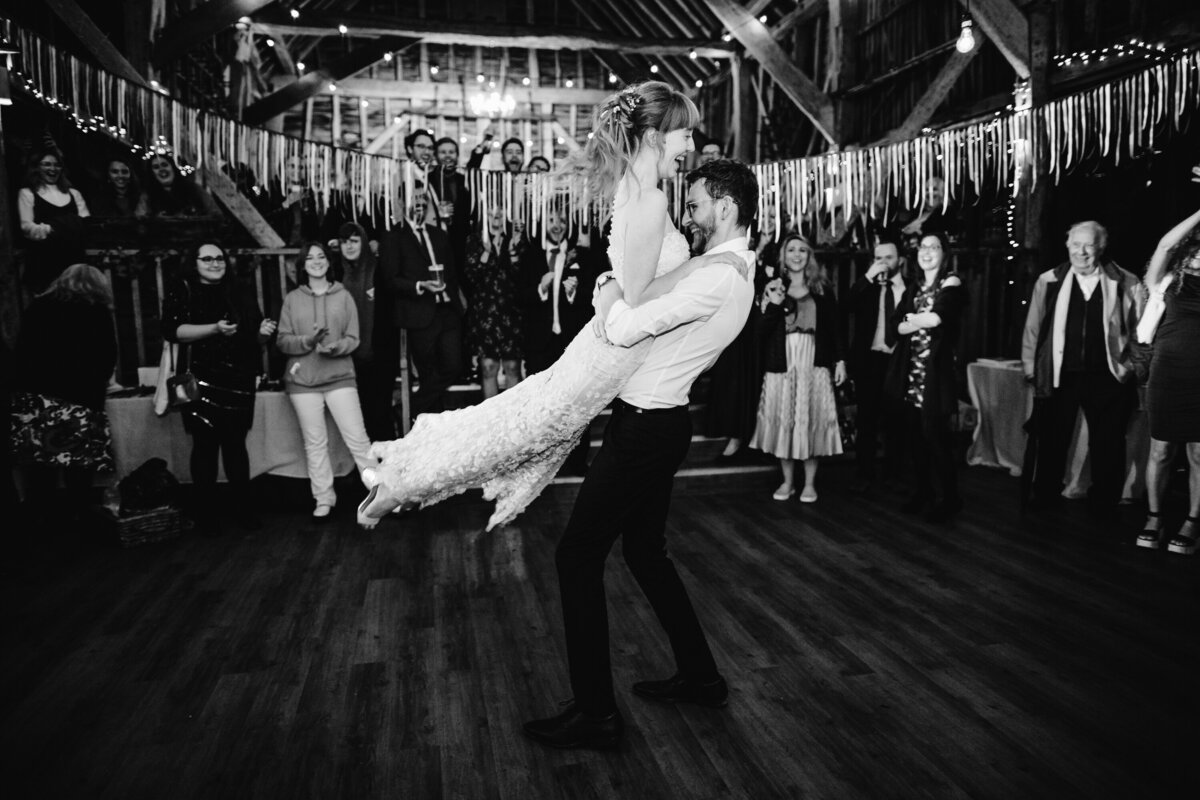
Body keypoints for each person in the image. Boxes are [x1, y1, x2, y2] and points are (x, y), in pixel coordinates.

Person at [357, 81, 744, 532]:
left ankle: (402, 478)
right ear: (657, 135)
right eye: (686, 135)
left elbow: (630, 282)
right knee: (521, 429)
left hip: (607, 346)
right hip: (611, 350)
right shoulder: (652, 198)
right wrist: (704, 265)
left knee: (519, 422)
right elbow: (638, 297)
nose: (691, 146)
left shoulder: (635, 188)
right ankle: (400, 484)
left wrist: (621, 279)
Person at [523, 158, 758, 750]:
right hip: (656, 423)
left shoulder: (721, 276)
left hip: (646, 430)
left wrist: (604, 287)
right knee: (647, 554)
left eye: (699, 203)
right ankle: (701, 677)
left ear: (726, 207)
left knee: (577, 555)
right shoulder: (718, 265)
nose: (690, 213)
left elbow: (625, 327)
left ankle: (597, 714)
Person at [1022, 221, 1143, 512]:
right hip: (1060, 374)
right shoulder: (1049, 280)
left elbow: (1140, 332)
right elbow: (1033, 329)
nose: (1082, 251)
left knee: (1108, 443)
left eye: (1089, 245)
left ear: (1101, 247)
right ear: (1067, 246)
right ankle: (1045, 498)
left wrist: (1129, 367)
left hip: (1108, 376)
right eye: (1076, 244)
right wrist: (1030, 367)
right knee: (1052, 440)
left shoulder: (1127, 281)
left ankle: (1104, 503)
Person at [161, 242, 276, 534]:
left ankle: (244, 512)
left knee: (236, 446)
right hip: (198, 378)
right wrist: (214, 328)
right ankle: (205, 516)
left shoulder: (240, 289)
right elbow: (172, 330)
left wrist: (262, 334)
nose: (215, 263)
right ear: (195, 262)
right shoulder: (183, 288)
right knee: (204, 447)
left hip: (238, 378)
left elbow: (253, 335)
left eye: (220, 258)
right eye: (208, 259)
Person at [276, 242, 379, 519]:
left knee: (358, 440)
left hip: (340, 377)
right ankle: (323, 498)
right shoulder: (292, 299)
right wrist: (307, 341)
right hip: (302, 382)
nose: (316, 261)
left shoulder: (342, 295)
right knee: (315, 443)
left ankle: (382, 495)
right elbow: (283, 340)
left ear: (328, 262)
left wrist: (336, 347)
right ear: (302, 265)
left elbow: (354, 338)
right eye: (309, 258)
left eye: (321, 256)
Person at [14, 264, 117, 520]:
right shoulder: (96, 310)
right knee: (78, 460)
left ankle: (42, 512)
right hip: (80, 395)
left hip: (38, 395)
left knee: (39, 459)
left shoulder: (36, 308)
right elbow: (106, 354)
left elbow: (22, 350)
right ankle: (78, 510)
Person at [749, 233, 846, 503]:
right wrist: (774, 306)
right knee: (784, 421)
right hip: (782, 361)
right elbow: (759, 333)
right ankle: (788, 481)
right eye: (791, 249)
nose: (796, 255)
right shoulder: (773, 287)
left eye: (802, 250)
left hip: (814, 362)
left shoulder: (822, 289)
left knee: (810, 418)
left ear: (809, 256)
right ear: (783, 255)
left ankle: (810, 484)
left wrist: (840, 360)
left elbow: (836, 329)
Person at [885, 232, 966, 522]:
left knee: (937, 439)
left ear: (944, 253)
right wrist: (917, 320)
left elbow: (937, 318)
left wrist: (913, 320)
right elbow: (895, 327)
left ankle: (950, 497)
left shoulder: (951, 283)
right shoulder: (914, 288)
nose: (927, 252)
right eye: (923, 247)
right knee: (916, 439)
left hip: (935, 376)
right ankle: (923, 492)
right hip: (911, 375)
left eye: (934, 247)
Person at [1137, 200, 1200, 553]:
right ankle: (1154, 516)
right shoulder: (1166, 278)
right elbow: (1165, 245)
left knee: (1199, 454)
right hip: (1170, 368)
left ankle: (1192, 523)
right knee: (1160, 449)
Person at [377, 190, 466, 419]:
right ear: (401, 202)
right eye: (414, 198)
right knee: (429, 373)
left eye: (423, 199)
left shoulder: (438, 234)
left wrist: (459, 304)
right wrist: (419, 285)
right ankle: (430, 427)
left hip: (447, 310)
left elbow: (453, 273)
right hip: (418, 312)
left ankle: (409, 408)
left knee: (453, 366)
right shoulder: (393, 235)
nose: (419, 203)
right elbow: (390, 279)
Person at [848, 237, 907, 491]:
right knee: (867, 419)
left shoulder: (910, 288)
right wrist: (868, 276)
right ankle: (865, 474)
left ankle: (896, 474)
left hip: (898, 362)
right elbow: (847, 305)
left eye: (889, 257)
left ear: (900, 261)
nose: (884, 262)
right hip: (870, 360)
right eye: (878, 257)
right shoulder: (867, 288)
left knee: (897, 420)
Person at [338, 222, 397, 442]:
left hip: (379, 356)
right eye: (344, 242)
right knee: (357, 418)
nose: (349, 246)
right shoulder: (337, 273)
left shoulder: (379, 270)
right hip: (347, 359)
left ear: (363, 242)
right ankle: (365, 472)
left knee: (379, 416)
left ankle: (389, 468)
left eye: (354, 241)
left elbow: (390, 314)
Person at [463, 206, 525, 400]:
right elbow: (471, 277)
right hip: (485, 313)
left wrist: (514, 247)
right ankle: (493, 422)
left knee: (512, 366)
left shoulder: (515, 238)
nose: (495, 217)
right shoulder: (474, 240)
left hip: (510, 311)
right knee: (488, 367)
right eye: (491, 214)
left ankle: (514, 418)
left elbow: (521, 277)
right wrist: (487, 252)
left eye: (499, 213)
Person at [18, 146, 90, 293]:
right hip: (44, 263)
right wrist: (55, 228)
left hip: (73, 261)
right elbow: (27, 228)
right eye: (47, 164)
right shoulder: (27, 194)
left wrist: (62, 227)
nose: (53, 168)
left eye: (57, 164)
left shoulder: (74, 194)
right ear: (36, 167)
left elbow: (86, 223)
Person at [140, 153, 221, 219]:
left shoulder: (194, 189)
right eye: (156, 167)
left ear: (173, 167)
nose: (161, 169)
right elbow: (141, 219)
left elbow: (216, 214)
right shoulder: (148, 195)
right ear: (152, 173)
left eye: (164, 165)